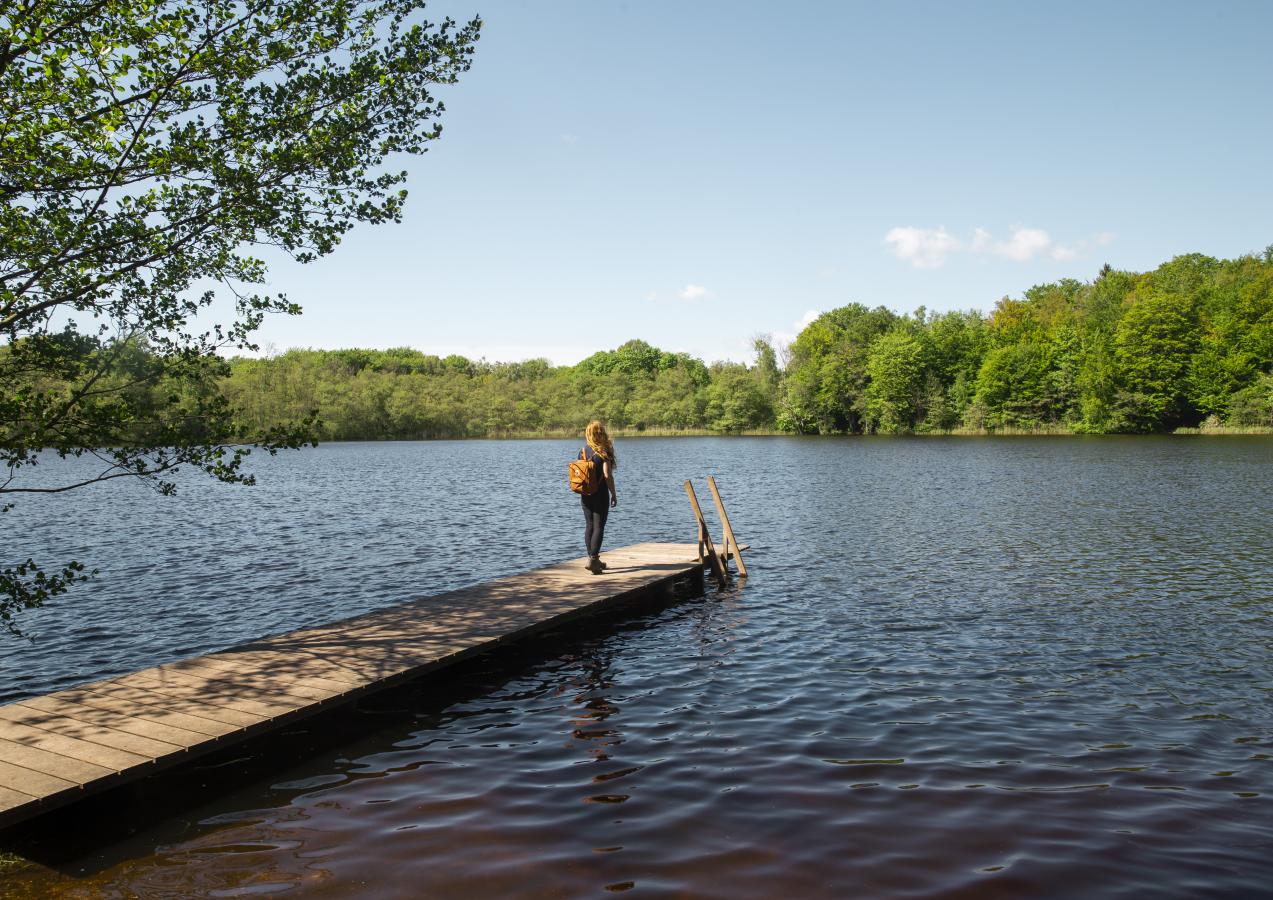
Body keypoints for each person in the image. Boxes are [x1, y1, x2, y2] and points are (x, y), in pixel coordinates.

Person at [580, 420, 618, 574]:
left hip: (585, 494)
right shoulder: (603, 451)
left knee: (589, 525)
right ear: (601, 433)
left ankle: (593, 559)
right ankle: (593, 559)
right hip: (600, 494)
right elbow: (607, 475)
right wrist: (613, 493)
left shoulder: (583, 451)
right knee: (598, 526)